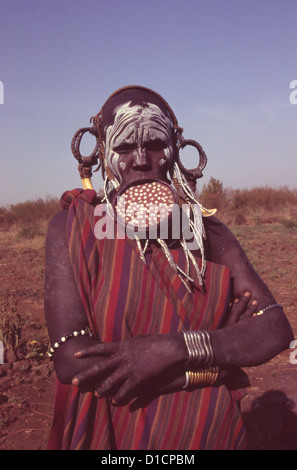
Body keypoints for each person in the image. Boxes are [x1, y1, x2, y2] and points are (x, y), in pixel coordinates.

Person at [44, 85, 293, 450]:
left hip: (209, 431)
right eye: (125, 147)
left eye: (157, 144)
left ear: (176, 150)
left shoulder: (207, 232)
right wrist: (216, 363)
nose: (142, 160)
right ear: (101, 153)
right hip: (115, 431)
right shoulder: (72, 228)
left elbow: (274, 328)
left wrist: (172, 349)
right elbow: (72, 361)